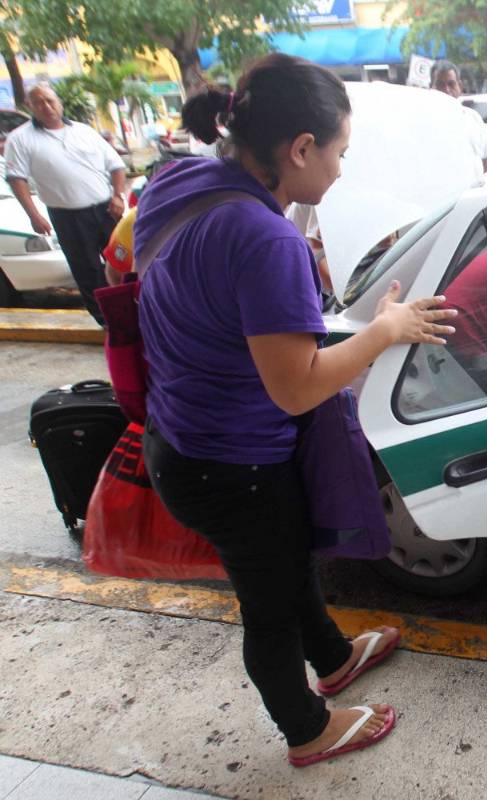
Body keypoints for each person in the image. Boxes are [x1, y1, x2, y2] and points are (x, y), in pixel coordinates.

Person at [136, 53, 457, 767]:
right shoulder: (266, 237)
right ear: (302, 149)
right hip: (232, 464)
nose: (342, 169)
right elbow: (297, 388)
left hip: (181, 432)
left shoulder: (178, 179)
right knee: (270, 604)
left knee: (288, 562)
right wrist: (384, 331)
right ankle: (307, 729)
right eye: (339, 151)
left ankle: (334, 658)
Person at [5, 83, 126, 323]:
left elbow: (116, 166)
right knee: (87, 270)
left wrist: (118, 195)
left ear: (59, 102)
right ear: (29, 107)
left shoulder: (84, 131)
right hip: (68, 216)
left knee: (122, 261)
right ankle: (105, 320)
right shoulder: (20, 139)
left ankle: (133, 308)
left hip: (106, 210)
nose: (46, 106)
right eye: (39, 102)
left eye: (50, 100)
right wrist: (34, 215)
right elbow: (17, 179)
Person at [430, 60, 487, 173]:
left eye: (451, 84)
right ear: (431, 88)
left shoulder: (473, 118)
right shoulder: (426, 122)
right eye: (440, 85)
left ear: (459, 86)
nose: (447, 90)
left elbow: (486, 163)